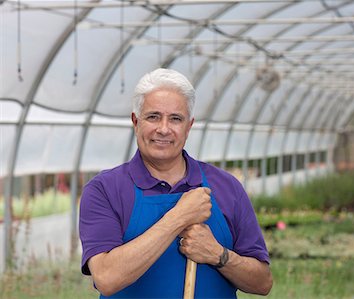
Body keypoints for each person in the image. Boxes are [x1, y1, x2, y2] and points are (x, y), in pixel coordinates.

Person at [79, 68, 273, 298]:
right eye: (153, 116)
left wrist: (218, 255)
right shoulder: (105, 190)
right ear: (135, 121)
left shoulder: (226, 187)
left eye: (175, 119)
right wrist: (178, 217)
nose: (163, 129)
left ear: (188, 127)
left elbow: (262, 283)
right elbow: (107, 278)